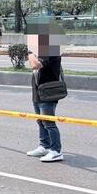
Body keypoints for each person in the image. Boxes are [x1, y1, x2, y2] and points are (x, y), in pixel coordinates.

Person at [26, 19, 65, 163]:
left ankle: (56, 150)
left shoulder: (50, 48)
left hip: (48, 91)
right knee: (40, 120)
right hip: (38, 90)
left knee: (48, 121)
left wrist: (29, 53)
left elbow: (35, 64)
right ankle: (44, 146)